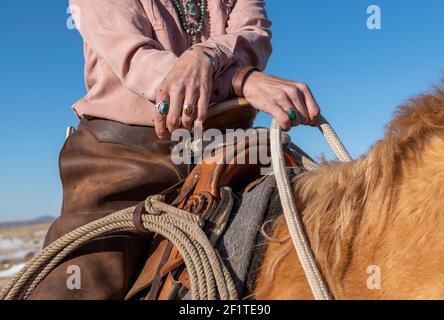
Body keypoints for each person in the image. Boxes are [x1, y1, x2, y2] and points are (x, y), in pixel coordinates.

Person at [30, 0, 320, 299]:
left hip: (227, 146)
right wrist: (239, 78)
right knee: (79, 282)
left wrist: (206, 56)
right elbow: (136, 59)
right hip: (126, 158)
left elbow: (253, 35)